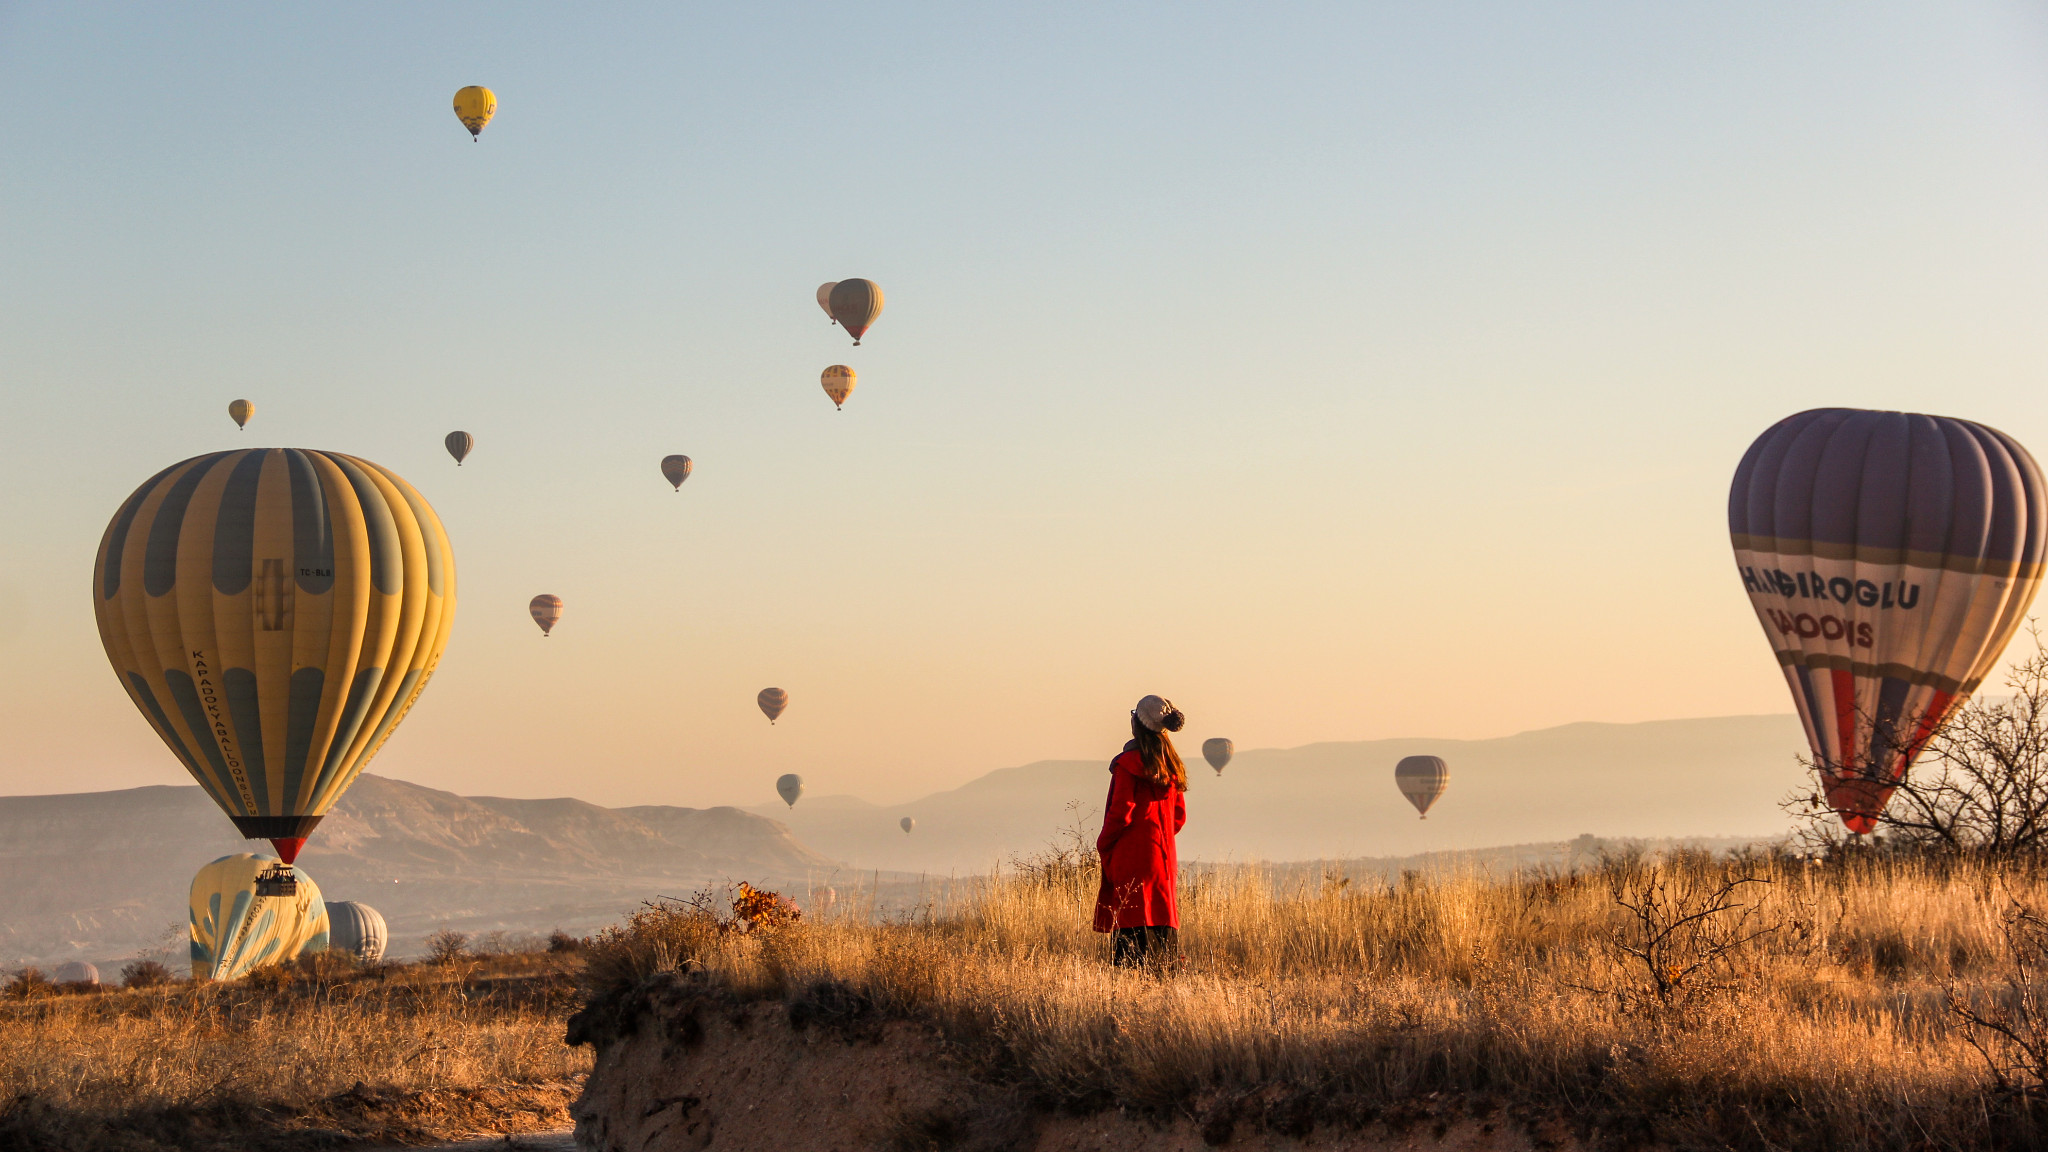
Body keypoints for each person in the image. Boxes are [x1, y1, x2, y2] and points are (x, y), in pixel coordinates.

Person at [1093, 694, 1189, 968]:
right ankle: (1164, 976)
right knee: (1161, 918)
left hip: (1132, 854)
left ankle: (1133, 980)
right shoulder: (1171, 765)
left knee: (1132, 918)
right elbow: (1179, 817)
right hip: (1163, 856)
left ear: (1138, 722)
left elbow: (1121, 812)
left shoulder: (1127, 765)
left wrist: (1104, 842)